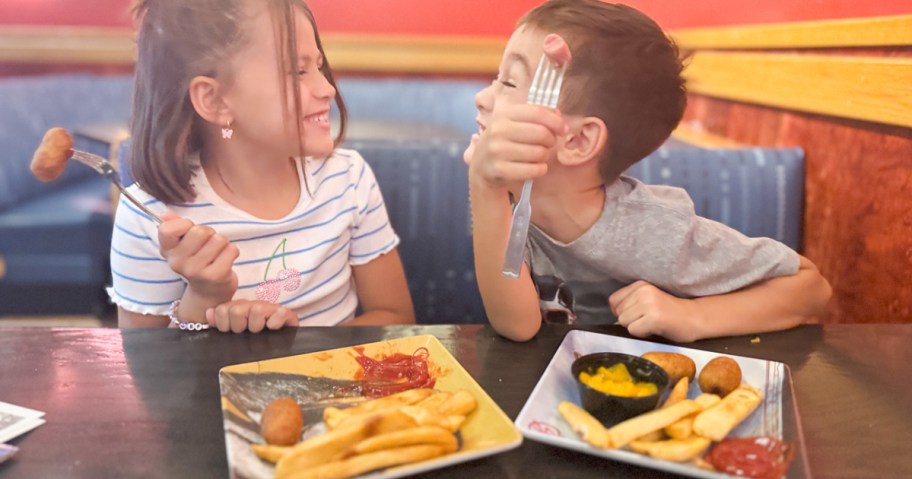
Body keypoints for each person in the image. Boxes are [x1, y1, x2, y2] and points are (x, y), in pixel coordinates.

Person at [465, 0, 831, 342]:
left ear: (577, 141)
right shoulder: (504, 202)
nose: (482, 97)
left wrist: (692, 316)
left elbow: (810, 288)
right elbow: (518, 326)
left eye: (509, 83)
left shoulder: (654, 228)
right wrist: (485, 190)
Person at [109, 0, 414, 332]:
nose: (327, 88)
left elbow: (395, 318)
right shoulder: (148, 215)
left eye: (319, 67)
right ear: (215, 100)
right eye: (298, 71)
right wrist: (204, 298)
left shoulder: (348, 179)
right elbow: (144, 369)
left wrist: (296, 348)